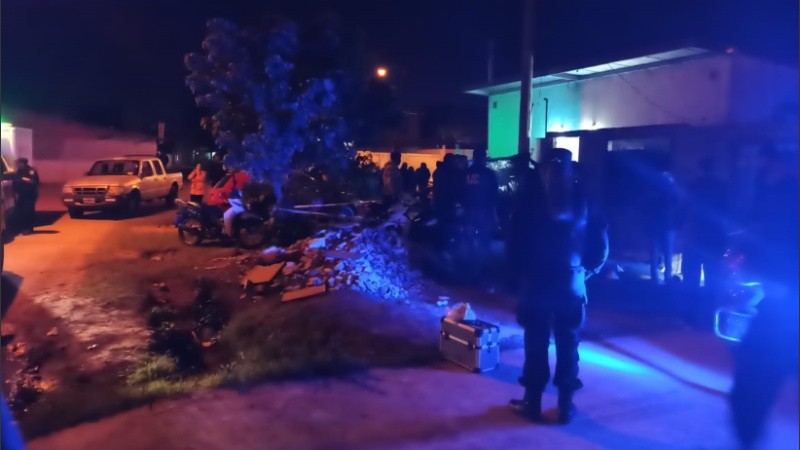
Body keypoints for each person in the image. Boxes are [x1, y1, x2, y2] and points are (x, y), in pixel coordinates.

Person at [510, 148, 609, 424]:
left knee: (535, 342)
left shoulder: (528, 202)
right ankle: (565, 406)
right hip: (570, 283)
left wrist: (520, 275)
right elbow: (600, 247)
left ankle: (532, 402)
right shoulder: (585, 202)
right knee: (568, 343)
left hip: (536, 283)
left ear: (543, 170)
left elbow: (514, 247)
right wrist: (583, 273)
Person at [729, 148, 798, 449]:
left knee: (753, 382)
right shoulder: (776, 195)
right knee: (754, 380)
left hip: (783, 303)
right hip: (780, 300)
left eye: (770, 163)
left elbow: (770, 245)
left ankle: (748, 438)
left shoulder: (783, 197)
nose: (765, 168)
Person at [682, 158, 728, 316]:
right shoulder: (721, 187)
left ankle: (690, 308)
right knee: (712, 273)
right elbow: (726, 212)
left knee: (691, 272)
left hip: (696, 234)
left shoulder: (695, 185)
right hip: (715, 235)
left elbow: (686, 208)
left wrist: (682, 229)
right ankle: (710, 308)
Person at [643, 170, 679, 284]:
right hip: (667, 226)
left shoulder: (654, 192)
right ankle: (666, 277)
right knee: (667, 253)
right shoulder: (670, 193)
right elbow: (676, 206)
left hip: (658, 226)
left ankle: (655, 278)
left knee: (655, 253)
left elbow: (647, 208)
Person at [463, 149, 499, 263]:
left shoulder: (466, 173)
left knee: (469, 236)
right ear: (484, 158)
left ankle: (470, 260)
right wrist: (494, 212)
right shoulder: (489, 173)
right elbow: (493, 193)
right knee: (485, 237)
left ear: (474, 157)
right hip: (485, 209)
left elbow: (461, 191)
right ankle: (483, 262)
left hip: (469, 209)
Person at [13, 158, 39, 235]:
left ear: (23, 163)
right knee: (20, 212)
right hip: (20, 195)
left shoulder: (31, 171)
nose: (17, 165)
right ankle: (23, 228)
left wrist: (23, 179)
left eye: (18, 163)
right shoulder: (18, 171)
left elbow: (34, 181)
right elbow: (15, 183)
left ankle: (29, 228)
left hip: (29, 195)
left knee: (28, 212)